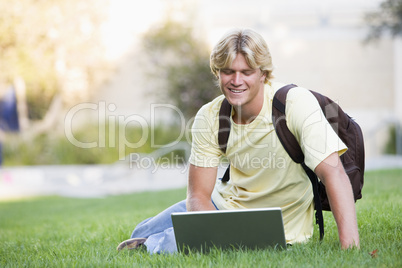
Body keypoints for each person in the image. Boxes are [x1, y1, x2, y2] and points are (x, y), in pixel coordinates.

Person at [116, 28, 360, 254]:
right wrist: (218, 231)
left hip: (279, 223)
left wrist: (350, 249)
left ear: (263, 73)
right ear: (217, 72)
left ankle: (157, 245)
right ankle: (154, 241)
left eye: (246, 72)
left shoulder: (294, 103)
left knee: (168, 244)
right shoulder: (210, 116)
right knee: (141, 233)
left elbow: (333, 174)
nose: (236, 81)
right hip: (223, 206)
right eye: (228, 71)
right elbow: (198, 195)